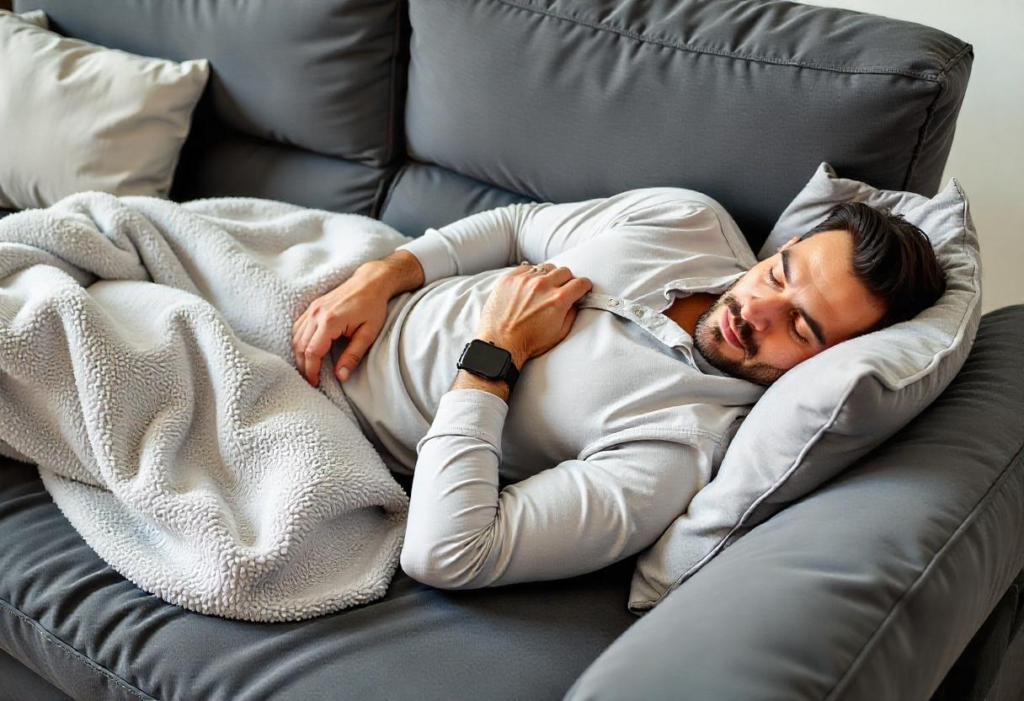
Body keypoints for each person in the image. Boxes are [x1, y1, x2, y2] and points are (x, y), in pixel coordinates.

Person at [290, 188, 946, 590]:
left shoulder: (675, 449)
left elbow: (449, 553)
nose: (757, 311)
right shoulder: (690, 219)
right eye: (780, 274)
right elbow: (519, 225)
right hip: (337, 275)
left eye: (800, 327)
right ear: (787, 245)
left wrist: (498, 350)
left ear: (835, 360)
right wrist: (380, 277)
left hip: (323, 408)